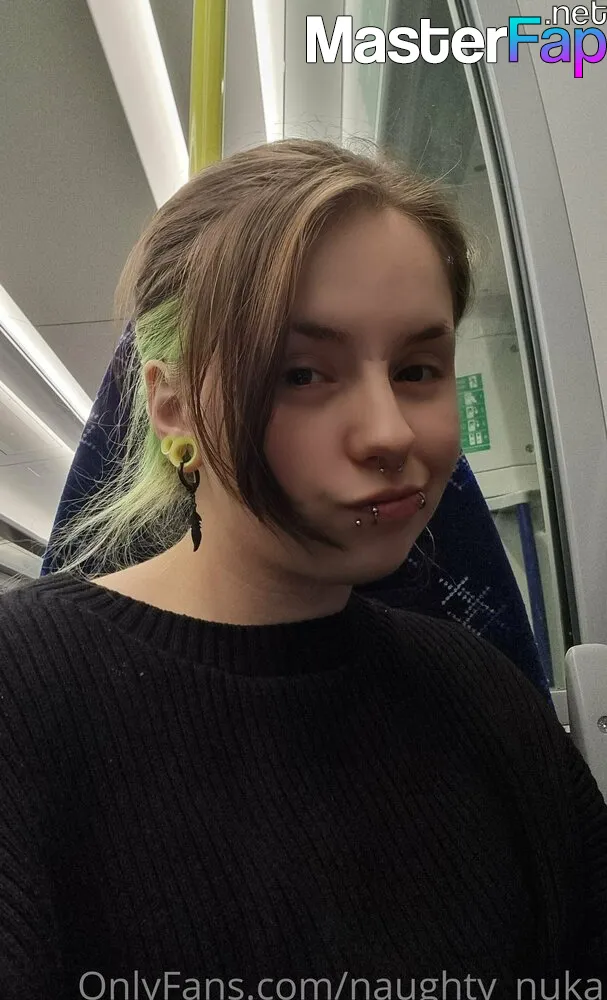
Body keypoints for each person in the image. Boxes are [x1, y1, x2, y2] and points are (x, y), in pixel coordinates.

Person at [0, 139, 605, 999]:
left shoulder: (481, 694)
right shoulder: (25, 693)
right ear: (171, 405)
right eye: (302, 373)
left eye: (417, 369)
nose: (389, 431)